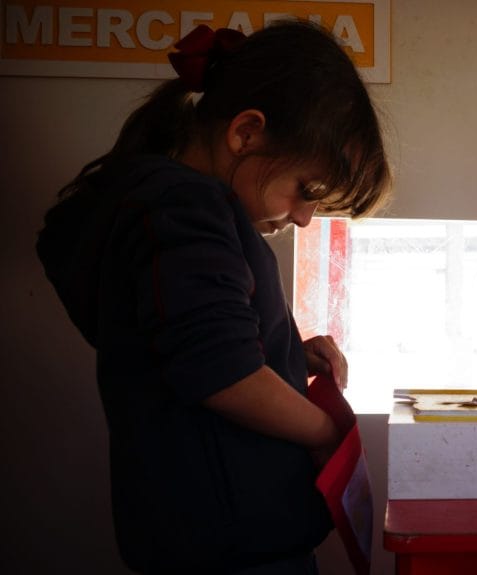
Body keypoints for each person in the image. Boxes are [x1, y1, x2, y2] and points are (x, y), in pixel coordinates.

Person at [36, 20, 390, 574]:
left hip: (204, 536)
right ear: (246, 133)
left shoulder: (163, 210)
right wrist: (329, 433)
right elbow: (219, 371)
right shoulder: (183, 210)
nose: (302, 216)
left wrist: (290, 354)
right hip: (232, 552)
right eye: (306, 190)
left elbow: (188, 341)